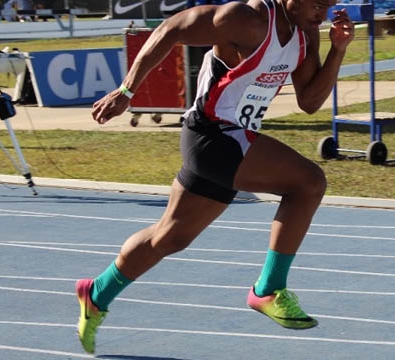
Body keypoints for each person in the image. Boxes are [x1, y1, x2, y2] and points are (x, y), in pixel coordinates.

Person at [80, 0, 354, 354]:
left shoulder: (306, 33)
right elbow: (171, 29)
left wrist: (338, 49)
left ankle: (96, 294)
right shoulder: (247, 19)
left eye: (330, 5)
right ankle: (268, 290)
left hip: (235, 141)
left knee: (169, 238)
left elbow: (310, 101)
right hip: (213, 135)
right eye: (318, 4)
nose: (324, 13)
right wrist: (127, 91)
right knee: (309, 182)